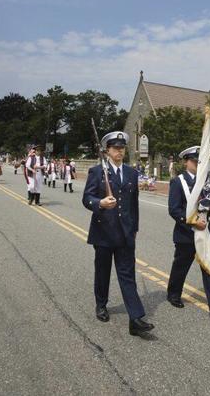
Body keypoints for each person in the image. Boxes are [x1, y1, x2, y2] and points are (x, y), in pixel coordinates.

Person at [83, 131, 154, 336]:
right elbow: (87, 198)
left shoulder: (131, 173)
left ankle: (136, 319)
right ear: (107, 150)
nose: (119, 151)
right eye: (115, 148)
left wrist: (135, 228)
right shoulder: (97, 172)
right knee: (103, 272)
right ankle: (101, 304)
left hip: (125, 233)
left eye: (122, 148)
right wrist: (100, 203)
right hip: (104, 232)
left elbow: (134, 205)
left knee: (127, 275)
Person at [166, 146, 210, 324]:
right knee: (181, 266)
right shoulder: (178, 182)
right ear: (186, 162)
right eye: (194, 161)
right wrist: (191, 221)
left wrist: (205, 214)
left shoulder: (206, 181)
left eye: (200, 162)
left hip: (204, 232)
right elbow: (174, 209)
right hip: (185, 234)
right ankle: (173, 294)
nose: (197, 165)